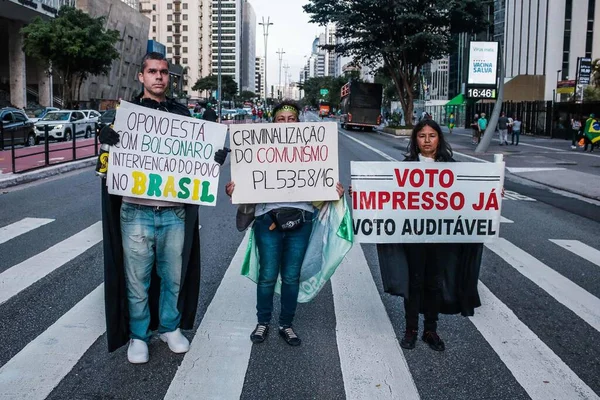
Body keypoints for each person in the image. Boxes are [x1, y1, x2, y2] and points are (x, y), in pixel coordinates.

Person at [99, 52, 202, 363]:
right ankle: (138, 336)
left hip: (174, 211)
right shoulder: (123, 116)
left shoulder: (183, 114)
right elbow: (105, 169)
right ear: (140, 76)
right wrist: (105, 144)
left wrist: (212, 157)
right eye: (152, 71)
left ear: (169, 78)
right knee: (137, 281)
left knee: (173, 277)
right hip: (135, 212)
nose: (159, 77)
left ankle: (170, 327)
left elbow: (196, 157)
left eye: (164, 72)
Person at [219, 100, 346, 347]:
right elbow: (246, 181)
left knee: (291, 276)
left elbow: (322, 180)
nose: (286, 123)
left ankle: (286, 324)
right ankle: (263, 321)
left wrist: (334, 191)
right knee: (267, 275)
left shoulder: (311, 147)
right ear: (273, 122)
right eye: (281, 119)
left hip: (302, 218)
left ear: (298, 122)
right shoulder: (260, 147)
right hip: (268, 219)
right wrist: (236, 189)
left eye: (291, 119)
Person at [376, 120, 483, 351]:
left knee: (435, 283)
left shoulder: (453, 168)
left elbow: (470, 196)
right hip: (413, 236)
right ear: (415, 140)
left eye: (432, 135)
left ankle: (430, 330)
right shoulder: (403, 168)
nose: (426, 140)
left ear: (439, 139)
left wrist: (491, 190)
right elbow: (387, 195)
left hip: (441, 238)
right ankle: (411, 330)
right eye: (422, 135)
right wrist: (366, 191)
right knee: (414, 282)